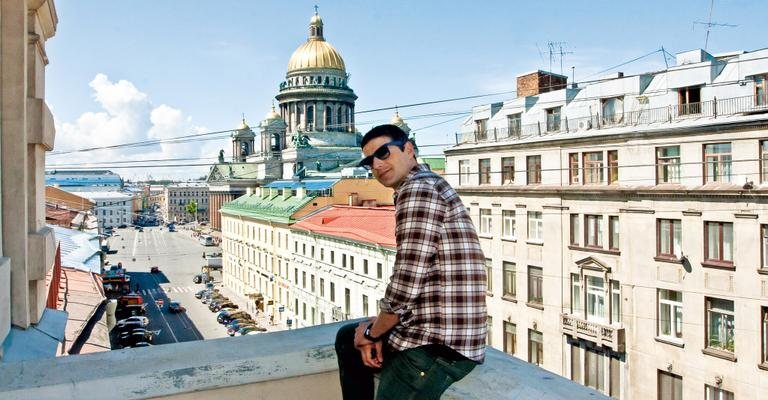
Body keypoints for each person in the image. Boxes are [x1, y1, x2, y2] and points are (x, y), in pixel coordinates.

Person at [335, 124, 487, 400]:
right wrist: (377, 328)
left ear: (408, 149)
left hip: (437, 346)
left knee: (355, 338)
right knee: (348, 338)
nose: (377, 165)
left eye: (383, 153)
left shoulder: (418, 190)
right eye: (370, 161)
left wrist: (372, 331)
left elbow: (407, 278)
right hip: (434, 331)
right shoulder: (427, 183)